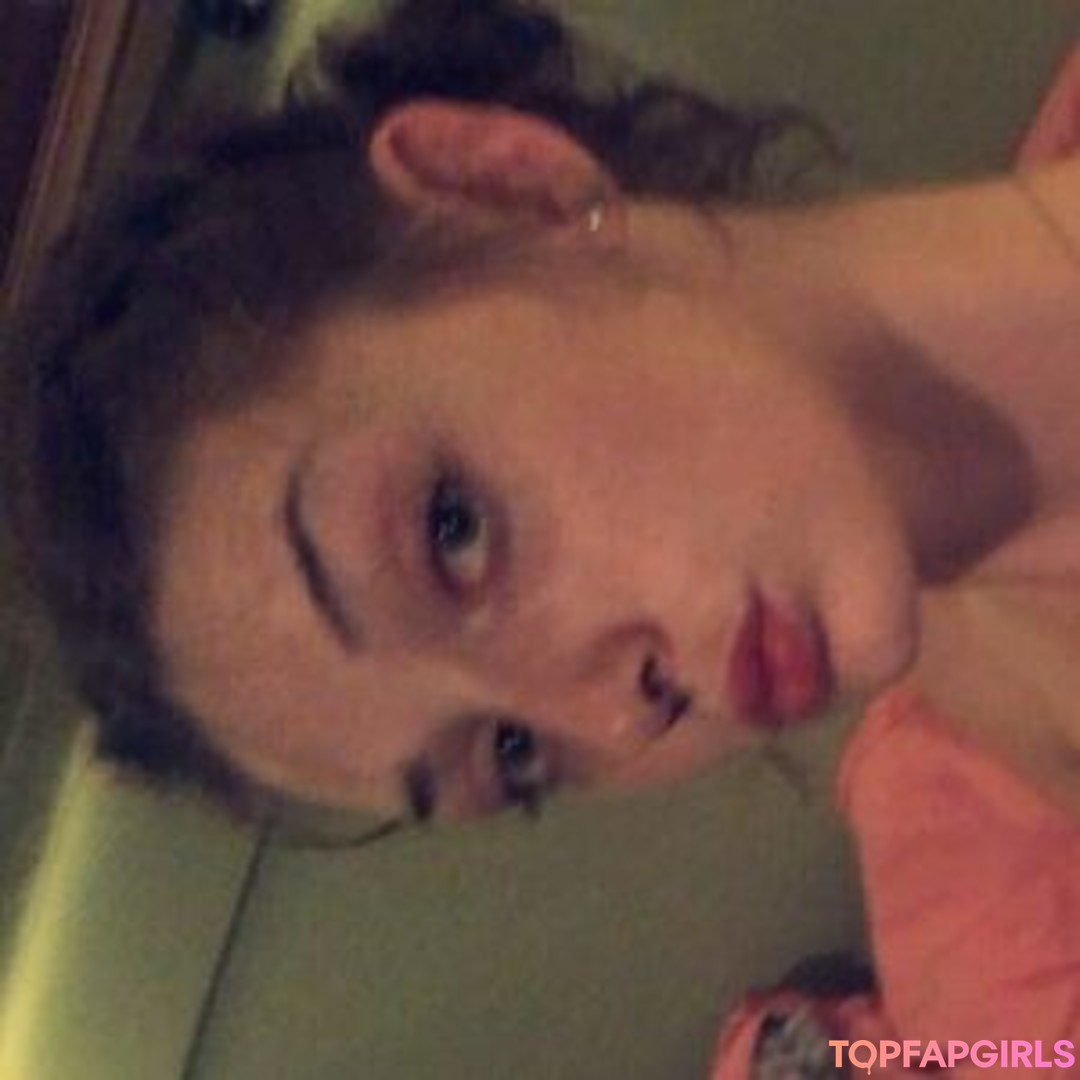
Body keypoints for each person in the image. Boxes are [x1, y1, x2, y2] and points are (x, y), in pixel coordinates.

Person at [4, 0, 1079, 834]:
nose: (611, 717)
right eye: (511, 756)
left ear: (505, 187)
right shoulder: (1022, 718)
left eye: (453, 531)